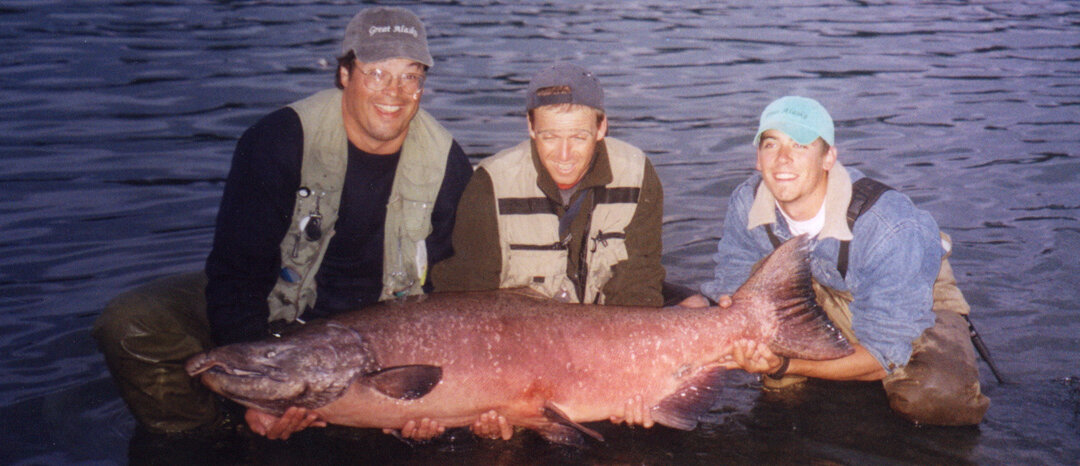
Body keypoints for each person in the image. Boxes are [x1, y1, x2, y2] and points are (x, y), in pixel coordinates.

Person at [93, 6, 473, 441]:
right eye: (376, 72)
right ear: (345, 74)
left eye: (410, 76)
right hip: (274, 312)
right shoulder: (278, 140)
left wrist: (431, 402)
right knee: (132, 324)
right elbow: (236, 274)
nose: (394, 91)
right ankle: (214, 434)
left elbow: (445, 298)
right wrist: (255, 401)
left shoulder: (448, 164)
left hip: (379, 341)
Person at [682, 96, 989, 426]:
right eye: (771, 144)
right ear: (758, 158)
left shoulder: (890, 226)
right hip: (813, 288)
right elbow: (733, 276)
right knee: (759, 330)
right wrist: (725, 317)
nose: (783, 159)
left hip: (912, 297)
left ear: (828, 157)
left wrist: (783, 364)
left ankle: (810, 371)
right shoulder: (747, 200)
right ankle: (795, 392)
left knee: (936, 400)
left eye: (800, 145)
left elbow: (880, 356)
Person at [431, 62, 666, 307]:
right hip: (517, 334)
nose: (564, 155)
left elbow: (638, 283)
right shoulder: (490, 183)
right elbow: (468, 294)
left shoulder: (636, 173)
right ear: (531, 128)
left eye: (578, 137)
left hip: (606, 333)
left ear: (601, 128)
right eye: (550, 136)